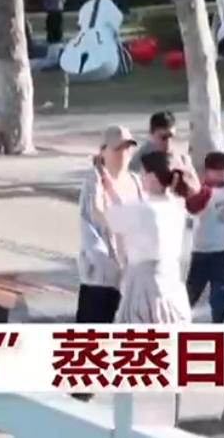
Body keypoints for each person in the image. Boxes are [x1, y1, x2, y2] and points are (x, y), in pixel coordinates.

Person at [96, 149, 195, 323]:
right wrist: (111, 190)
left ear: (153, 177)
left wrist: (96, 190)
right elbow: (128, 211)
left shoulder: (144, 211)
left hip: (144, 288)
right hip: (172, 286)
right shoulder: (178, 208)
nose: (140, 177)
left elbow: (101, 215)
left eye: (143, 173)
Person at [77, 126, 141, 323]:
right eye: (118, 148)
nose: (124, 153)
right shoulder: (94, 181)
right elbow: (91, 223)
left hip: (130, 275)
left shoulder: (136, 181)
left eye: (127, 148)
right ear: (103, 151)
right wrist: (106, 264)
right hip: (100, 277)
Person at [184, 151, 224, 323]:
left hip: (220, 251)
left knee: (220, 293)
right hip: (202, 252)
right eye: (217, 170)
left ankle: (218, 324)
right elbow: (192, 205)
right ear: (207, 172)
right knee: (192, 293)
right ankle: (177, 319)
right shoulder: (205, 191)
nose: (222, 173)